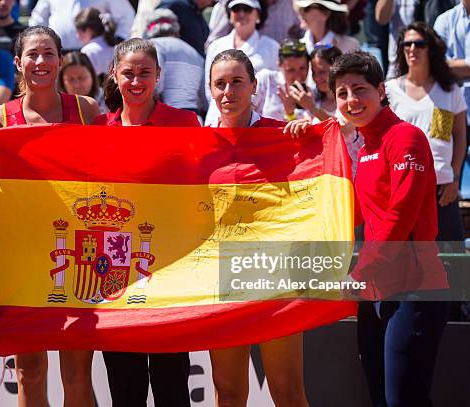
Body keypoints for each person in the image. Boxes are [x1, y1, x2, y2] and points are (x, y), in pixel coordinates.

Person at [0, 26, 100, 407]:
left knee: (77, 373)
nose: (41, 62)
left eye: (48, 53)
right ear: (17, 62)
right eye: (32, 54)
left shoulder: (86, 109)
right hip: (21, 260)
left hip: (78, 257)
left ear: (61, 59)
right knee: (28, 371)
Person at [330, 50, 449, 407]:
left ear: (381, 90)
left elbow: (402, 215)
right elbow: (352, 216)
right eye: (342, 93)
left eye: (360, 89)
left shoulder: (406, 138)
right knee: (380, 398)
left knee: (403, 400)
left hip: (416, 288)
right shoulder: (366, 146)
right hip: (377, 290)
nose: (352, 100)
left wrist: (361, 272)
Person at [94, 38, 199, 407]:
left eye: (145, 73)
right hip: (115, 272)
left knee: (172, 385)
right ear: (114, 75)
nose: (136, 82)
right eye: (128, 73)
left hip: (171, 267)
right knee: (125, 388)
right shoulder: (96, 130)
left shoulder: (186, 123)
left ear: (158, 75)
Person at [207, 48, 310, 407]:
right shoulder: (199, 146)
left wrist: (310, 135)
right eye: (219, 84)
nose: (228, 92)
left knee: (287, 391)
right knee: (230, 393)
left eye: (237, 82)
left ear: (254, 86)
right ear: (210, 89)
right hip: (221, 276)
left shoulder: (283, 137)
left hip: (276, 275)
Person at [386, 22, 466, 242]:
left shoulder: (450, 89)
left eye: (419, 43)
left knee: (452, 260)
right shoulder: (389, 90)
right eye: (407, 44)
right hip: (403, 186)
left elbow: (459, 135)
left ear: (430, 48)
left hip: (442, 189)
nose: (413, 49)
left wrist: (455, 177)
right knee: (405, 260)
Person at [204, 0, 279, 125]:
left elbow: (275, 89)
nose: (241, 14)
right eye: (236, 9)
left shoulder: (272, 47)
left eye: (247, 9)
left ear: (258, 15)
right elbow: (208, 89)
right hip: (215, 119)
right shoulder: (216, 46)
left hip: (255, 124)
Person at [290, 44, 362, 173]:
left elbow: (344, 128)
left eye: (322, 72)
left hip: (352, 175)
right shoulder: (313, 99)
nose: (317, 78)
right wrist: (290, 113)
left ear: (336, 69)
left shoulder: (352, 98)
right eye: (314, 73)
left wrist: (312, 108)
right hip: (324, 176)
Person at [144, 8, 206, 116]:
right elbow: (204, 96)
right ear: (176, 27)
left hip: (168, 118)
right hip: (195, 119)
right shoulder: (195, 53)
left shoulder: (153, 46)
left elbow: (155, 86)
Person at [28, 0, 135, 51]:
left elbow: (126, 15)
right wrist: (38, 41)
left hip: (94, 54)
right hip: (58, 52)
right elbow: (38, 18)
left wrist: (120, 38)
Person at [434, 0, 470, 152]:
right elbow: (435, 63)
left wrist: (452, 66)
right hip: (444, 105)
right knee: (440, 159)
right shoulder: (444, 19)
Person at [253, 39, 311, 122]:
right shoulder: (265, 79)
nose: (298, 76)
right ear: (279, 66)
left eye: (302, 68)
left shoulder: (312, 93)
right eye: (291, 70)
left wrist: (291, 114)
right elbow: (245, 110)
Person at [206, 0, 299, 47]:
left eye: (247, 10)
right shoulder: (236, 4)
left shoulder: (292, 4)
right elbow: (214, 44)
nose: (242, 12)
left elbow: (303, 35)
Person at [294, 0, 360, 54]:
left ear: (326, 14)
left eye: (307, 9)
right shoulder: (297, 47)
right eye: (301, 9)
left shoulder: (350, 46)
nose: (301, 13)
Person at [75, 7, 118, 77]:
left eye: (78, 31)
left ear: (88, 30)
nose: (77, 36)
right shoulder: (116, 48)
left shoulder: (88, 51)